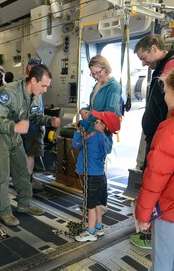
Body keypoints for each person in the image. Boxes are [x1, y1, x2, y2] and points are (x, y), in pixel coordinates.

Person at [124, 69, 174, 271]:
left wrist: (142, 215)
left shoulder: (169, 129)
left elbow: (155, 178)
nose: (164, 97)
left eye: (166, 91)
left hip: (169, 213)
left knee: (162, 265)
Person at [0, 64, 60, 227]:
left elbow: (35, 116)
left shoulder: (35, 94)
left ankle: (24, 204)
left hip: (14, 133)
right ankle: (4, 211)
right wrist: (14, 127)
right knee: (2, 176)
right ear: (33, 80)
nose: (45, 90)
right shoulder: (9, 92)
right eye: (44, 86)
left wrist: (49, 120)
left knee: (22, 170)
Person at [130, 34, 174, 250]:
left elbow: (168, 108)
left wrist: (164, 132)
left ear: (154, 48)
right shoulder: (160, 67)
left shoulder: (170, 67)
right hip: (158, 137)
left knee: (155, 183)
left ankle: (149, 232)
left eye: (143, 56)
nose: (143, 62)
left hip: (163, 141)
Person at [73, 109, 121, 242]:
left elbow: (76, 144)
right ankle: (99, 227)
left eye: (99, 121)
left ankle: (91, 231)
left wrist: (81, 126)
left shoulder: (93, 137)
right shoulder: (107, 139)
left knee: (90, 205)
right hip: (100, 176)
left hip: (91, 176)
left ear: (104, 126)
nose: (95, 122)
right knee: (98, 203)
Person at [84, 55, 122, 213]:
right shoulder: (97, 84)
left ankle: (101, 204)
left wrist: (92, 113)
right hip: (92, 129)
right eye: (92, 74)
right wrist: (85, 110)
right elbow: (93, 105)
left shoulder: (114, 87)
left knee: (97, 170)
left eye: (97, 72)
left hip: (101, 132)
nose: (95, 76)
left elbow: (109, 112)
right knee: (94, 168)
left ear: (105, 68)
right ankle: (95, 203)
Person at [22, 57, 45, 191]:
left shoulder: (22, 82)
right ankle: (28, 182)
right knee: (30, 154)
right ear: (30, 68)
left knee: (25, 153)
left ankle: (24, 179)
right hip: (31, 124)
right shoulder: (32, 83)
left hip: (23, 123)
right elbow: (34, 107)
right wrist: (41, 123)